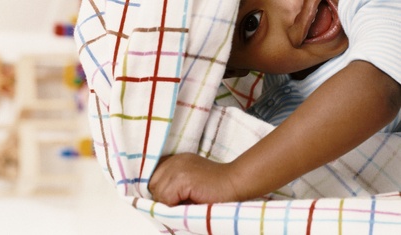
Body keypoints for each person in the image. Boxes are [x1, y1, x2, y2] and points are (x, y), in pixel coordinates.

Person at [149, 0, 401, 206]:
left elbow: (380, 89)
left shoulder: (371, 6)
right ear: (229, 67)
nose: (293, 6)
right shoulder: (266, 110)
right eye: (252, 23)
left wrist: (233, 179)